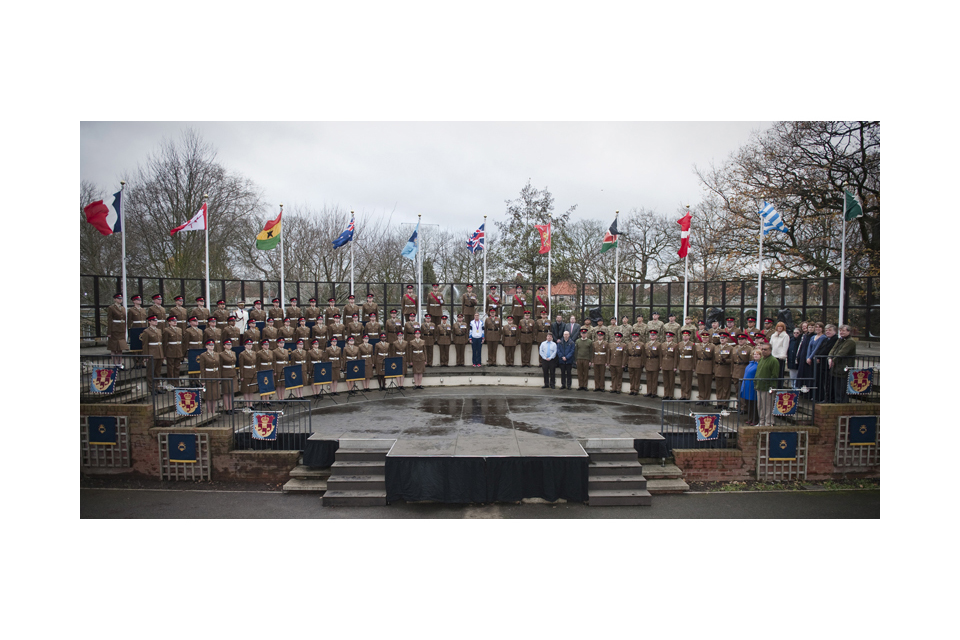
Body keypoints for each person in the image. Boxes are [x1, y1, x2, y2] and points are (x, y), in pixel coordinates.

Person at [828, 324, 856, 403]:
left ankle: (841, 403)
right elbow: (833, 350)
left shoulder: (850, 341)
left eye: (843, 331)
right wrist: (830, 358)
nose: (841, 332)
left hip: (844, 368)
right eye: (840, 331)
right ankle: (836, 401)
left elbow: (842, 353)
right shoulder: (840, 340)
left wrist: (833, 360)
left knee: (841, 388)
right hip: (836, 368)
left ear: (848, 331)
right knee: (835, 387)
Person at [754, 343, 780, 427]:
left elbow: (774, 375)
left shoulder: (773, 360)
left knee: (768, 406)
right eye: (762, 349)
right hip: (760, 386)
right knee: (760, 406)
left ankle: (768, 422)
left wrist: (772, 387)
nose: (763, 351)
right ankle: (761, 421)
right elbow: (758, 372)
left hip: (767, 387)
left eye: (765, 349)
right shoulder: (761, 359)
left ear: (770, 350)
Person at [813, 324, 839, 402]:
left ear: (835, 331)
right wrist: (816, 356)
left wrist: (819, 356)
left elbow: (827, 350)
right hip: (821, 363)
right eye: (826, 330)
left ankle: (829, 398)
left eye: (830, 330)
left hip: (828, 364)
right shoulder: (825, 339)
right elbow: (819, 348)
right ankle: (821, 397)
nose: (827, 332)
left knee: (828, 382)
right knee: (821, 381)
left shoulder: (835, 340)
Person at [141, 315, 164, 394]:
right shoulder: (146, 331)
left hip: (159, 352)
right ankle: (151, 388)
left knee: (158, 372)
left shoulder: (159, 330)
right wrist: (146, 355)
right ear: (149, 322)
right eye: (153, 320)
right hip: (151, 353)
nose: (155, 321)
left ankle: (157, 387)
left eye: (156, 320)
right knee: (151, 372)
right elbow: (145, 344)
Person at [199, 339, 222, 415]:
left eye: (212, 345)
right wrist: (203, 380)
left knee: (214, 394)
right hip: (208, 375)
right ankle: (209, 411)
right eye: (210, 345)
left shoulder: (216, 354)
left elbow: (218, 366)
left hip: (215, 375)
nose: (211, 347)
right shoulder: (203, 355)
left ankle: (213, 410)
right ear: (206, 346)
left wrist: (219, 377)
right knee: (208, 395)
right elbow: (202, 368)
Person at [740, 350, 761, 426]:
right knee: (748, 403)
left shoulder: (759, 365)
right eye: (754, 354)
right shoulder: (751, 364)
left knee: (753, 404)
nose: (755, 356)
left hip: (753, 386)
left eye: (757, 354)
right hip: (747, 385)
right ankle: (750, 418)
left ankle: (755, 419)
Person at [694, 334, 715, 405]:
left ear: (708, 338)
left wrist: (713, 368)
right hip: (700, 365)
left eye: (706, 338)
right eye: (703, 338)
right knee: (700, 384)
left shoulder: (712, 346)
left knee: (707, 384)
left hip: (708, 366)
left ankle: (706, 399)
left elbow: (714, 358)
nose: (704, 339)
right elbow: (695, 357)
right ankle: (701, 398)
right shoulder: (698, 346)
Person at [219, 338, 238, 412]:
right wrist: (220, 376)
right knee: (226, 392)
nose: (229, 346)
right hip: (225, 373)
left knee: (232, 391)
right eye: (227, 344)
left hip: (233, 373)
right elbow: (220, 366)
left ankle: (231, 407)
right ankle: (227, 408)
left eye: (230, 344)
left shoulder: (233, 353)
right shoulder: (221, 354)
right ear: (224, 346)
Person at [107, 293, 127, 363]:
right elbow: (109, 320)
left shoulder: (122, 308)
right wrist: (109, 332)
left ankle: (120, 363)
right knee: (114, 348)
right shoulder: (111, 308)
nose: (120, 300)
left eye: (121, 299)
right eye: (118, 299)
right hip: (114, 330)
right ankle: (114, 363)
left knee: (120, 348)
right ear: (115, 299)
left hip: (121, 330)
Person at [677, 330, 697, 400]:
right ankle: (683, 395)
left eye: (686, 335)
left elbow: (694, 356)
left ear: (689, 336)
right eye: (684, 336)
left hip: (689, 364)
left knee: (688, 381)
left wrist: (694, 366)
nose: (685, 337)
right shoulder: (680, 344)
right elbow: (678, 355)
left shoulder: (692, 344)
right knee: (682, 381)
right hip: (682, 363)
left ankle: (687, 395)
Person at [239, 338, 259, 403]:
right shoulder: (242, 354)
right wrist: (241, 375)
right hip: (246, 373)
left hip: (252, 372)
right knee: (246, 389)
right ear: (245, 345)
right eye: (248, 344)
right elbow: (241, 366)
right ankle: (247, 404)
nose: (250, 345)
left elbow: (256, 363)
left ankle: (251, 403)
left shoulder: (254, 353)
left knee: (251, 389)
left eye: (251, 344)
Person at [659, 332, 678, 399]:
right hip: (664, 364)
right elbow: (661, 355)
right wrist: (661, 364)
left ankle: (670, 394)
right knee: (665, 380)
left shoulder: (675, 345)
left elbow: (676, 357)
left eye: (669, 337)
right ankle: (666, 394)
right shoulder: (663, 344)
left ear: (672, 338)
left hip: (671, 364)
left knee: (671, 381)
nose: (668, 338)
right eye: (667, 337)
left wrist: (675, 366)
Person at [643, 329, 662, 398]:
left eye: (653, 335)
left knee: (654, 378)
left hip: (655, 362)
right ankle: (649, 391)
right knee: (648, 378)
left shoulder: (658, 344)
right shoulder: (647, 344)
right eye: (651, 335)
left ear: (656, 336)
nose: (652, 336)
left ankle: (654, 392)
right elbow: (644, 354)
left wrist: (660, 364)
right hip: (648, 362)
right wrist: (644, 363)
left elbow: (660, 355)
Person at [626, 332, 645, 396]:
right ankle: (632, 389)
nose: (634, 338)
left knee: (637, 377)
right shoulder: (629, 344)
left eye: (635, 337)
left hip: (638, 361)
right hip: (631, 361)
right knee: (631, 377)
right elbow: (626, 354)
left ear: (638, 338)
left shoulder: (641, 344)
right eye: (633, 337)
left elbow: (643, 354)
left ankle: (636, 390)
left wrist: (642, 363)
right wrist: (626, 362)